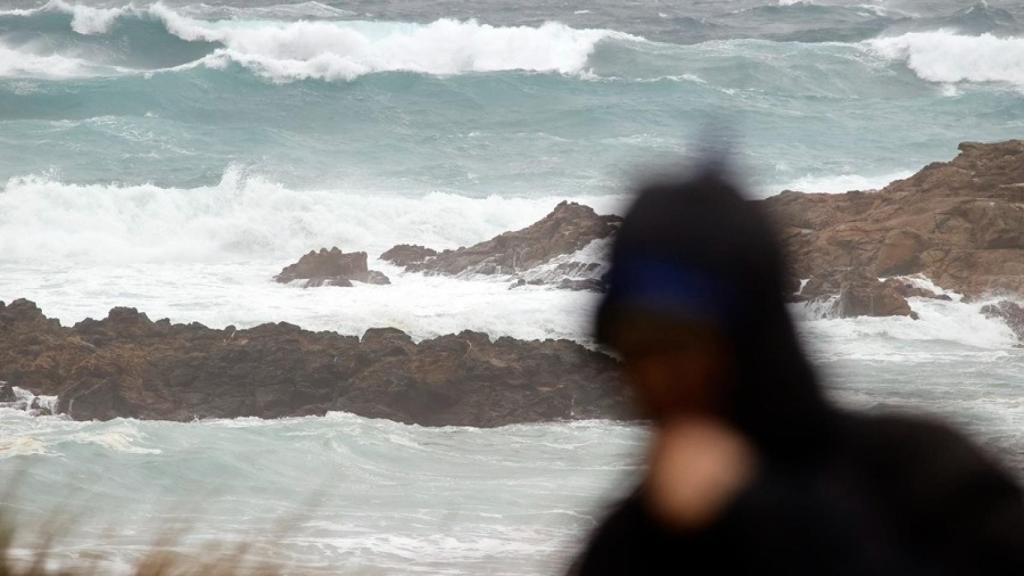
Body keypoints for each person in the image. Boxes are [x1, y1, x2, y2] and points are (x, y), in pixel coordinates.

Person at [569, 167, 1024, 575]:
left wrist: (766, 517)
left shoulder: (921, 476)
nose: (655, 378)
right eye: (635, 349)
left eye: (681, 346)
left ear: (753, 337)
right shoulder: (632, 542)